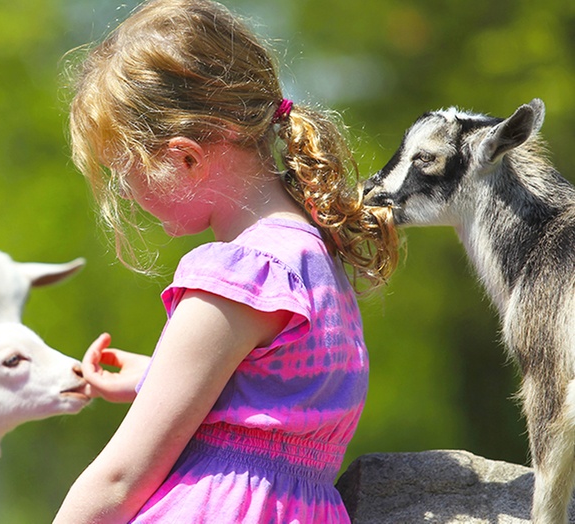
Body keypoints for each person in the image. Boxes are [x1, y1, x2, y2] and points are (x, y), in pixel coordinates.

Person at [54, 0, 399, 522]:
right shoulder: (314, 258)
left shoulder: (238, 276)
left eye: (126, 172)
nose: (128, 194)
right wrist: (154, 377)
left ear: (184, 156)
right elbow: (277, 402)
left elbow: (120, 476)